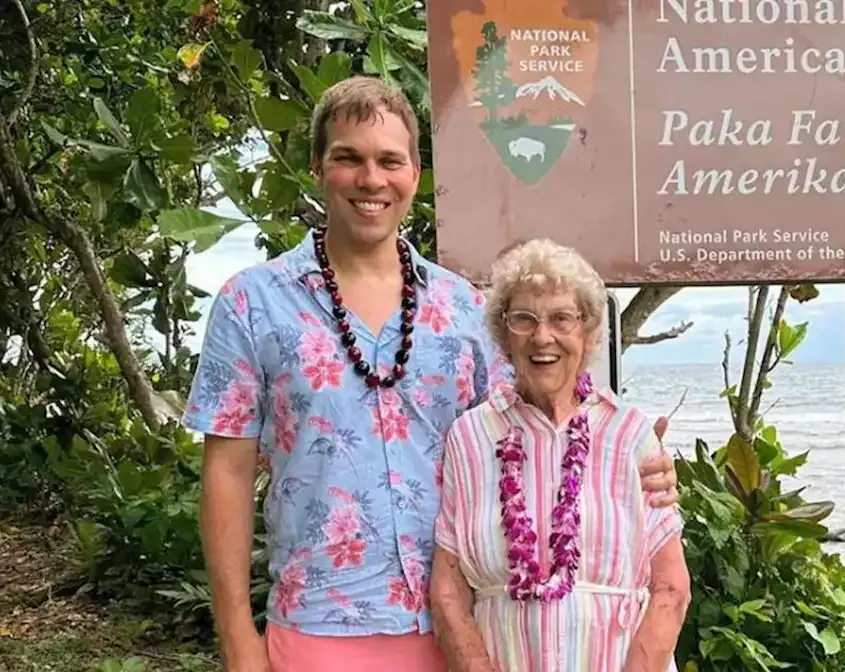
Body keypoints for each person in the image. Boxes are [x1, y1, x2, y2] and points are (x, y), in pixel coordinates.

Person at [181, 76, 679, 672]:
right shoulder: (252, 303)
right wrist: (238, 636)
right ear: (317, 167)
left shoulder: (465, 310)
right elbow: (228, 473)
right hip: (316, 627)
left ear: (415, 173)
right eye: (349, 158)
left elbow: (532, 428)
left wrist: (635, 458)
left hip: (462, 630)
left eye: (390, 161)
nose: (372, 180)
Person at [429, 239, 691, 672]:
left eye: (561, 318)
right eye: (523, 319)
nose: (542, 336)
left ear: (586, 333)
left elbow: (671, 586)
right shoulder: (470, 436)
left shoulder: (630, 434)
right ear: (503, 333)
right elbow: (449, 586)